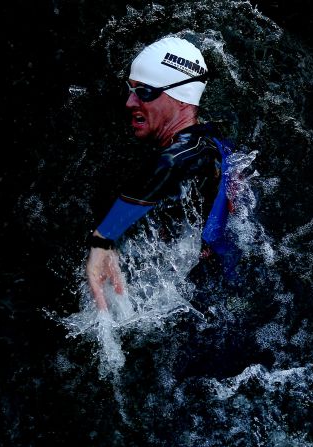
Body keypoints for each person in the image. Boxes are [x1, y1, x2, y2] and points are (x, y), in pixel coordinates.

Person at [85, 35, 238, 311]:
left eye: (144, 92)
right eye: (131, 90)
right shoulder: (213, 141)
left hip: (212, 301)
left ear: (181, 98)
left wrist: (103, 239)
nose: (130, 103)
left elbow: (172, 163)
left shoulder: (192, 153)